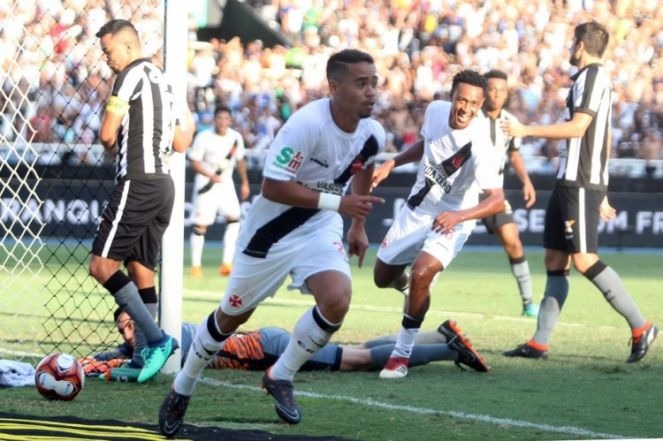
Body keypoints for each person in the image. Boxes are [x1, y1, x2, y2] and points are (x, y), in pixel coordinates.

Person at [158, 48, 386, 437]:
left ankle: (281, 374)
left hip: (319, 226)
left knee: (337, 299)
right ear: (334, 86)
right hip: (270, 234)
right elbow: (274, 186)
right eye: (361, 83)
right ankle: (183, 386)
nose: (371, 92)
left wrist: (357, 225)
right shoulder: (306, 125)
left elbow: (363, 169)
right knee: (233, 318)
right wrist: (340, 202)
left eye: (373, 83)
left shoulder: (373, 133)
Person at [501, 21, 658, 362]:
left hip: (580, 180)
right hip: (572, 180)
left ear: (581, 46)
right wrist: (603, 186)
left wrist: (525, 129)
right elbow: (603, 136)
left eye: (573, 44)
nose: (570, 50)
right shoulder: (591, 80)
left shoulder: (592, 78)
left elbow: (578, 128)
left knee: (585, 259)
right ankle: (539, 343)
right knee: (556, 259)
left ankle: (641, 325)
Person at [371, 70, 505, 380]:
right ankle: (413, 291)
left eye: (473, 104)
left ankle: (400, 357)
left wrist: (459, 216)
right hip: (417, 210)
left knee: (422, 272)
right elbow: (426, 144)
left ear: (481, 104)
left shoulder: (482, 143)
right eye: (460, 100)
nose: (465, 109)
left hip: (454, 217)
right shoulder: (434, 112)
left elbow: (497, 199)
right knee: (382, 277)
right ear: (451, 96)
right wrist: (394, 162)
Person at [88, 19, 193, 384]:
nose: (106, 59)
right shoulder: (164, 81)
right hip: (163, 185)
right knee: (140, 268)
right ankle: (141, 354)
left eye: (108, 51)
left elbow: (106, 135)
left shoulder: (130, 74)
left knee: (101, 266)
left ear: (128, 47)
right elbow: (182, 143)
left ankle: (158, 339)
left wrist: (111, 128)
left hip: (138, 180)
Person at [81, 309, 489, 376]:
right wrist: (87, 362)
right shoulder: (157, 335)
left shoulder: (165, 340)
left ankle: (449, 348)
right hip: (266, 343)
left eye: (130, 325)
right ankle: (438, 334)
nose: (126, 333)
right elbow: (117, 355)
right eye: (122, 328)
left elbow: (129, 362)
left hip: (270, 350)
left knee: (360, 360)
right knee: (359, 349)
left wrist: (101, 367)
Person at [476, 70, 539, 318]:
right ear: (484, 91)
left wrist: (527, 181)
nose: (496, 94)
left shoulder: (510, 122)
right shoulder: (471, 118)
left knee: (513, 241)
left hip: (494, 193)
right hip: (466, 191)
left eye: (501, 90)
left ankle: (528, 303)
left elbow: (513, 154)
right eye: (492, 89)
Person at [188, 104, 250, 277]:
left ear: (230, 120)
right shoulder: (203, 137)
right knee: (201, 225)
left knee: (234, 219)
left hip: (226, 183)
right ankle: (195, 266)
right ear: (214, 120)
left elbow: (240, 161)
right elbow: (194, 162)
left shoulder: (236, 137)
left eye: (226, 119)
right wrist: (210, 175)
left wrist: (244, 182)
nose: (223, 122)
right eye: (220, 118)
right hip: (205, 183)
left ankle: (227, 264)